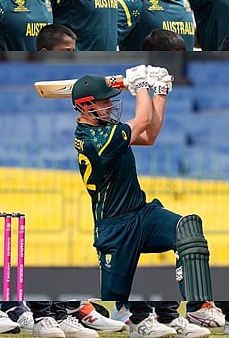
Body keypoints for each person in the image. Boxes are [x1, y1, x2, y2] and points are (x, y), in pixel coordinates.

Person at [70, 66, 212, 302]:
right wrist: (141, 86)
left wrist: (161, 91)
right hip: (115, 228)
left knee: (187, 229)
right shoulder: (98, 141)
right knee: (114, 305)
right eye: (105, 101)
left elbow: (149, 136)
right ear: (86, 106)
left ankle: (199, 308)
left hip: (141, 214)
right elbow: (144, 119)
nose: (111, 105)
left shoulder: (104, 130)